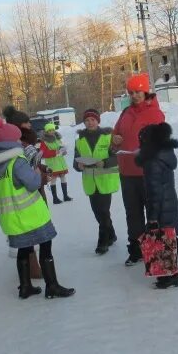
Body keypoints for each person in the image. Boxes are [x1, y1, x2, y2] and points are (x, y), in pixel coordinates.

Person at [0, 118, 75, 299]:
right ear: (11, 141)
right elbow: (33, 183)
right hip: (32, 216)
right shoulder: (17, 162)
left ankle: (25, 287)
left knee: (24, 250)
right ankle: (52, 286)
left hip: (12, 220)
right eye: (17, 138)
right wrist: (39, 174)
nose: (19, 141)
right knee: (46, 247)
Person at [112, 73, 165, 266]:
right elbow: (116, 133)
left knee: (153, 214)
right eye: (131, 92)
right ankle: (135, 250)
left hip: (147, 173)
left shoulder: (155, 113)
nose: (134, 95)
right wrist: (115, 140)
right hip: (127, 172)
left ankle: (156, 253)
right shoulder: (125, 112)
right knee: (132, 213)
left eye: (138, 92)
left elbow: (162, 142)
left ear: (146, 91)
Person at [3, 105, 48, 278]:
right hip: (27, 194)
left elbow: (31, 166)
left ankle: (32, 271)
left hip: (32, 191)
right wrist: (42, 178)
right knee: (32, 232)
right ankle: (34, 271)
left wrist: (43, 168)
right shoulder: (17, 145)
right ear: (18, 126)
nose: (30, 125)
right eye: (26, 123)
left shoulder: (22, 141)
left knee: (31, 231)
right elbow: (24, 174)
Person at [137, 122, 178, 288]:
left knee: (164, 239)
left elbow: (154, 192)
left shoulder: (152, 162)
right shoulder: (165, 155)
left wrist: (152, 217)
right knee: (171, 237)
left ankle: (171, 275)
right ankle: (177, 271)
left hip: (161, 207)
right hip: (170, 203)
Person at [73, 109, 119, 255]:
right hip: (90, 183)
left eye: (93, 120)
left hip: (105, 181)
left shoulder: (107, 137)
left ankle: (103, 242)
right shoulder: (79, 140)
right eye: (87, 120)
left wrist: (104, 162)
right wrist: (78, 165)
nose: (90, 123)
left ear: (98, 121)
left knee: (103, 212)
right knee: (98, 213)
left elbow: (116, 157)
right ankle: (111, 235)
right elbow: (75, 161)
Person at [40, 123, 72, 204]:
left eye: (53, 130)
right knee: (53, 179)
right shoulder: (44, 142)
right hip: (52, 164)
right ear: (46, 132)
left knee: (63, 177)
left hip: (61, 162)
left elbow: (61, 147)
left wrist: (63, 151)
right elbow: (43, 153)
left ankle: (65, 196)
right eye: (49, 130)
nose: (52, 132)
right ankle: (55, 198)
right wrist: (55, 152)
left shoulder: (58, 139)